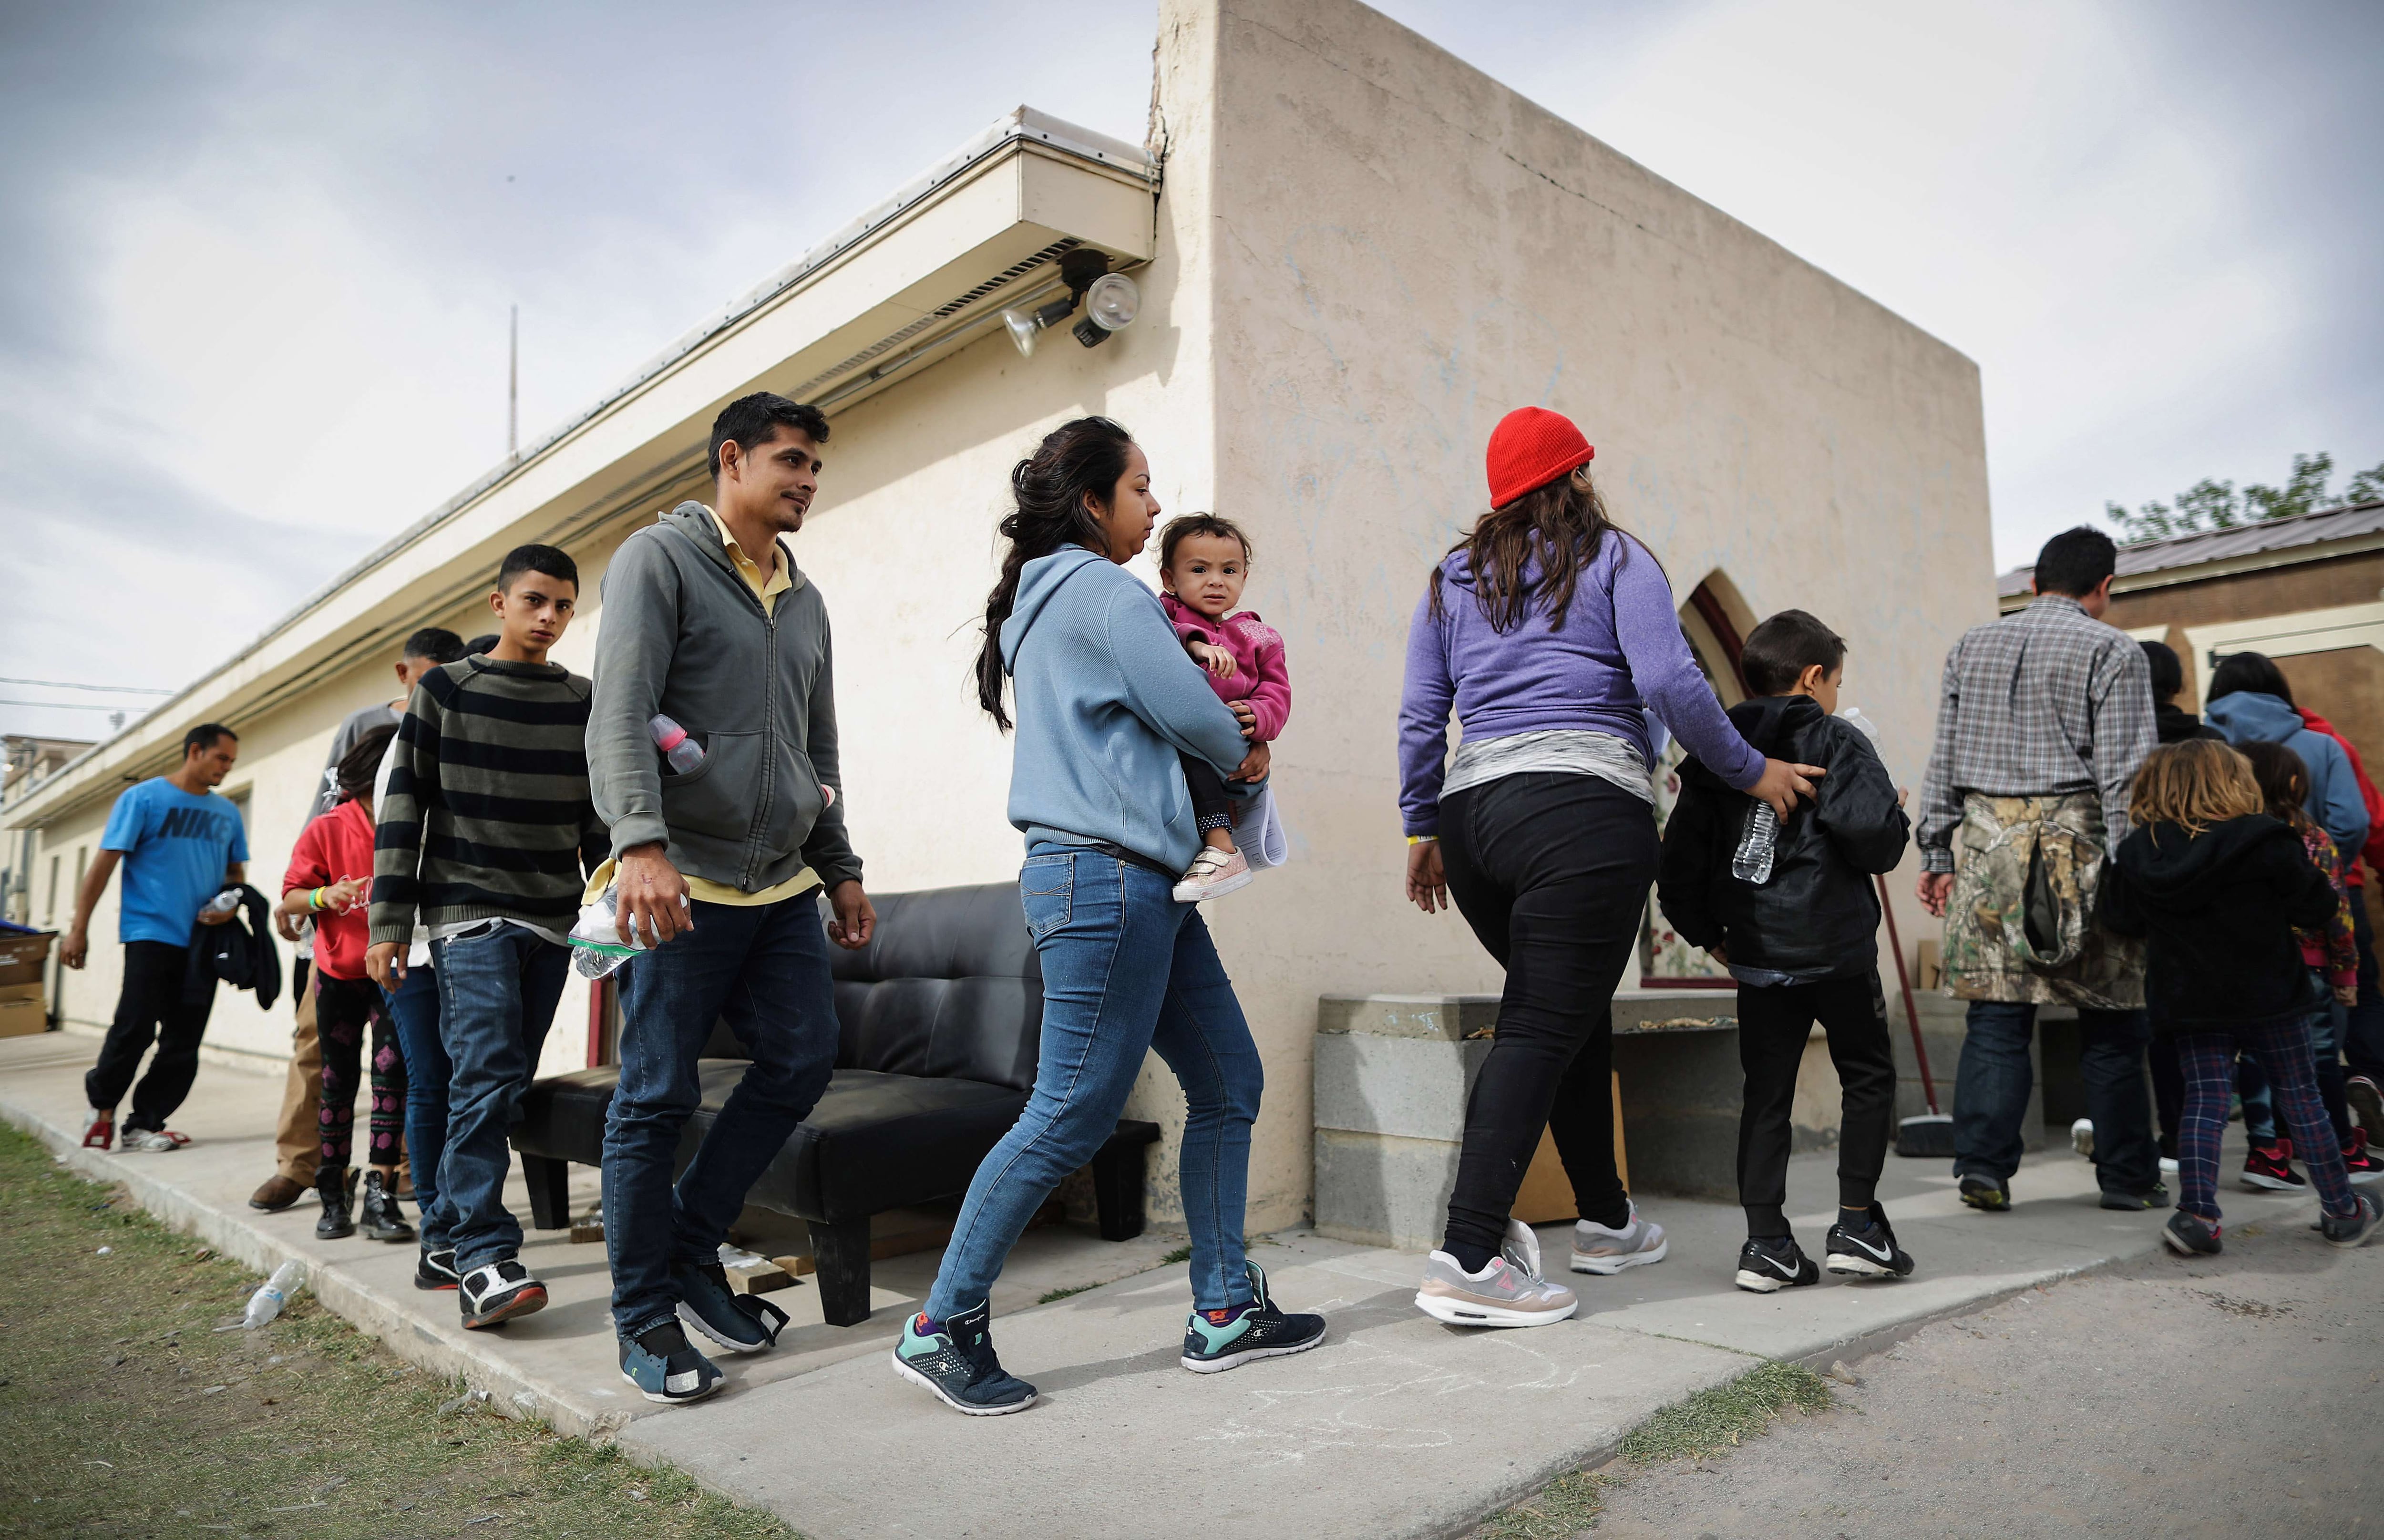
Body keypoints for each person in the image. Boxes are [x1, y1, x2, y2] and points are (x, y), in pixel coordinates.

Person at [893, 416, 1323, 1417]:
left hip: (1139, 884)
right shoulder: (1102, 592)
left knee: (1228, 1080)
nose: (1156, 504)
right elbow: (1201, 717)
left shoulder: (1045, 600)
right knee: (1072, 1110)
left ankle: (1224, 1308)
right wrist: (1247, 744)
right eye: (1139, 487)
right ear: (1093, 502)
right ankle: (941, 1325)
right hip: (1106, 880)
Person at [1398, 406, 1822, 1327]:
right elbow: (1670, 680)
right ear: (1579, 475)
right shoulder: (1617, 557)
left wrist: (1420, 827)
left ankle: (1607, 1221)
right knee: (1540, 1025)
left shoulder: (1452, 577)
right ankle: (1469, 1258)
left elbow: (1423, 712)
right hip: (1581, 813)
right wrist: (1751, 770)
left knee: (1571, 1013)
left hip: (1474, 825)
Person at [586, 393, 879, 1407]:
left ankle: (689, 1244)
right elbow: (620, 709)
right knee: (655, 1096)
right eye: (791, 460)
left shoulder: (805, 598)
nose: (807, 480)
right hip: (681, 878)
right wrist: (639, 842)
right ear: (733, 460)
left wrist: (840, 865)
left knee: (802, 1059)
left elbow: (816, 747)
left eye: (815, 467)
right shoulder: (658, 560)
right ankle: (643, 1316)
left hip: (781, 880)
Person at [368, 544, 606, 1330]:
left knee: (500, 1083)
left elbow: (597, 817)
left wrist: (609, 912)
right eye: (535, 600)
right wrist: (389, 924)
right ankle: (484, 1257)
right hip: (469, 916)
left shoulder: (581, 699)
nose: (550, 617)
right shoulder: (446, 689)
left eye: (564, 604)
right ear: (499, 602)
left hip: (554, 919)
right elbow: (404, 807)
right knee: (487, 1073)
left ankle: (442, 1239)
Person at [1655, 609, 1915, 1293]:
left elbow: (1677, 865)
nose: (1835, 694)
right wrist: (1893, 811)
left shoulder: (1718, 749)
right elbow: (1875, 842)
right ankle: (1856, 1226)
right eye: (1836, 682)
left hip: (1759, 954)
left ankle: (1766, 1242)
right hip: (1838, 951)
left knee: (1765, 1095)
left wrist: (1707, 935)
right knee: (1867, 1077)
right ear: (1812, 677)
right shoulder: (1837, 737)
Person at [1915, 525, 2162, 1213]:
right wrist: (2133, 873)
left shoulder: (1971, 646)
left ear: (2033, 582)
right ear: (2104, 587)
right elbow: (2125, 777)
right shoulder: (2114, 650)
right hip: (2081, 847)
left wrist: (1935, 852)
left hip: (1986, 846)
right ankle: (2126, 1178)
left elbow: (1944, 758)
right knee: (2110, 1019)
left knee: (1996, 1014)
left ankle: (1983, 1169)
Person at [2099, 739, 2379, 1254]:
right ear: (2233, 780)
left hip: (2188, 999)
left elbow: (2119, 918)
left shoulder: (2141, 847)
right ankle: (2343, 1211)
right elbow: (2317, 905)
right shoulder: (2265, 838)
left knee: (2204, 1099)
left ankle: (2196, 1216)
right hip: (2271, 994)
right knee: (2301, 1096)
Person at [252, 626, 465, 1214]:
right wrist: (304, 899)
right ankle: (301, 1165)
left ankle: (398, 1171)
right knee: (317, 1047)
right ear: (405, 673)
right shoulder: (366, 728)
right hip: (341, 935)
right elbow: (326, 810)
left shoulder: (459, 721)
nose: (436, 687)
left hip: (416, 934)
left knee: (409, 1057)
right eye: (427, 677)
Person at [63, 723, 248, 1152]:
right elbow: (104, 865)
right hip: (150, 932)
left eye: (232, 762)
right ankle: (102, 1109)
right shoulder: (143, 799)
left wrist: (231, 904)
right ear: (195, 751)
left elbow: (235, 873)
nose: (227, 767)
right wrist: (78, 929)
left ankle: (144, 1124)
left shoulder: (228, 813)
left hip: (203, 941)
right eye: (221, 758)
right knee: (135, 1027)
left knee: (184, 1039)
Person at [280, 725, 413, 1243]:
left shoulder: (413, 824)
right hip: (338, 974)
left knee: (392, 1078)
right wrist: (325, 897)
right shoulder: (329, 827)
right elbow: (292, 895)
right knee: (337, 1080)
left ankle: (380, 1192)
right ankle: (333, 1191)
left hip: (396, 973)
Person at [2239, 741, 2383, 1181]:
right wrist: (2346, 971)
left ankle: (2266, 1150)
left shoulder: (2234, 838)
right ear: (2294, 783)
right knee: (2320, 1056)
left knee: (2256, 1055)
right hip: (2310, 964)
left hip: (2252, 964)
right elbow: (2336, 912)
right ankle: (2341, 1147)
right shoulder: (2312, 838)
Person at [1157, 513, 1290, 903]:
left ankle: (1222, 850)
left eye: (1229, 570)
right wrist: (1196, 645)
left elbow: (1277, 692)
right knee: (1190, 752)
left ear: (1244, 578)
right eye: (1199, 569)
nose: (1216, 580)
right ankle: (1220, 845)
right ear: (1170, 580)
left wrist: (1259, 721)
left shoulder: (1257, 636)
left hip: (1235, 758)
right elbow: (1151, 635)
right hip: (1185, 749)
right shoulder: (1164, 614)